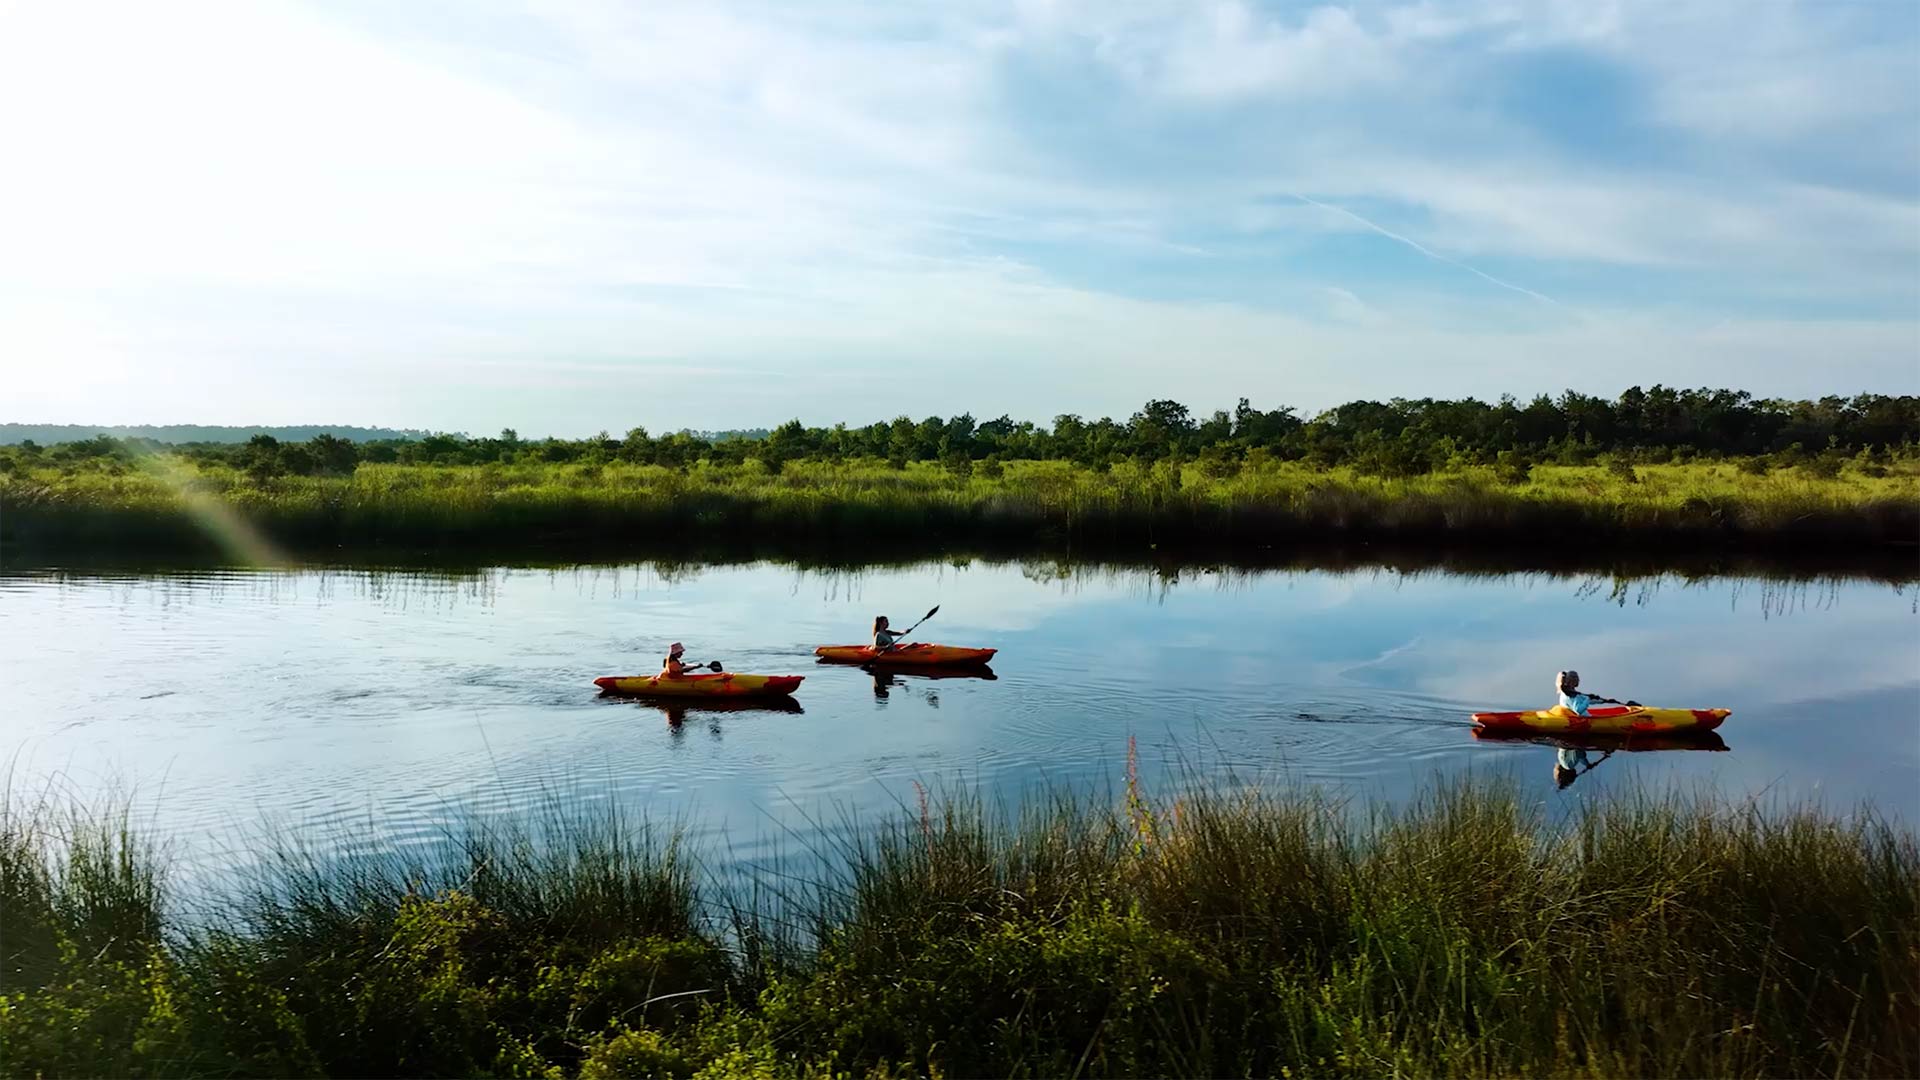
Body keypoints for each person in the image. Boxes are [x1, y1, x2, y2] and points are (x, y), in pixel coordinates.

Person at [1555, 670, 1634, 716]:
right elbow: (1578, 710)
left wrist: (1604, 701)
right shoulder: (1571, 695)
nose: (1579, 680)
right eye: (1577, 678)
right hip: (1583, 720)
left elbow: (1585, 700)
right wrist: (1587, 699)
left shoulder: (1568, 692)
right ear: (1572, 681)